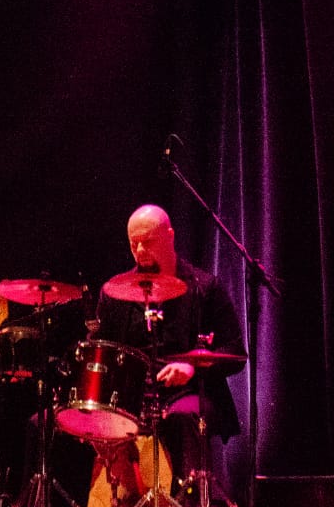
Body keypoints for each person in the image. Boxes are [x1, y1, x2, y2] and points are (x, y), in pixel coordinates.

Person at [93, 204, 247, 488]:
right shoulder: (115, 294)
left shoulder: (204, 288)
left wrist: (192, 368)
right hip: (132, 401)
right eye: (133, 244)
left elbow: (236, 353)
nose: (140, 252)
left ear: (170, 236)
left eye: (147, 242)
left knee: (182, 417)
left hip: (189, 394)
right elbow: (100, 353)